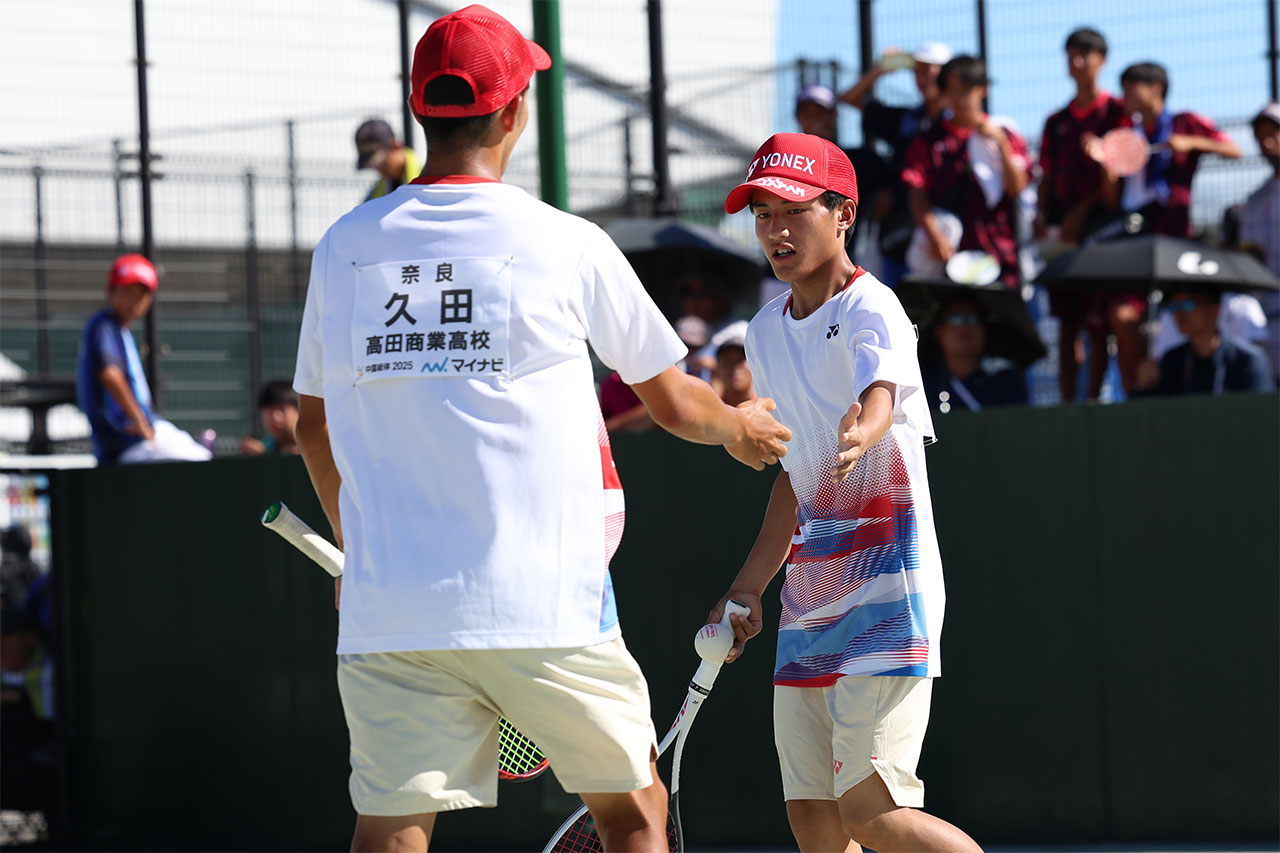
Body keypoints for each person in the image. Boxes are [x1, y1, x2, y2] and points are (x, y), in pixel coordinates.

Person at [291, 7, 791, 852]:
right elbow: (674, 403)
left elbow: (314, 428)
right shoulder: (567, 242)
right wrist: (740, 426)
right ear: (516, 112)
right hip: (546, 604)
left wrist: (356, 544)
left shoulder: (344, 246)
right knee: (635, 817)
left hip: (391, 606)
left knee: (389, 828)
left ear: (419, 110)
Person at [710, 132, 980, 853]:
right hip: (809, 603)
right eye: (762, 214)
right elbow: (795, 477)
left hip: (889, 595)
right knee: (816, 823)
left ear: (843, 215)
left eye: (794, 211)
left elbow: (880, 392)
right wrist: (748, 586)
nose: (776, 229)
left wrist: (865, 427)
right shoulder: (763, 333)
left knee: (874, 815)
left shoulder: (874, 306)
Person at [1036, 28, 1129, 402]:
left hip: (1104, 230)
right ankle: (1067, 405)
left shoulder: (1117, 113)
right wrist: (1041, 215)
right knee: (1067, 323)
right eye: (1071, 55)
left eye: (1084, 55)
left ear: (1101, 60)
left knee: (1099, 322)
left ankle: (1093, 402)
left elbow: (1119, 179)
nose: (1076, 63)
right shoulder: (1056, 121)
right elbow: (1046, 175)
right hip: (1063, 234)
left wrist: (1083, 212)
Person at [902, 55, 1030, 287]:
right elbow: (916, 192)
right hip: (948, 257)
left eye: (966, 90)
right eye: (952, 92)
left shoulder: (1005, 133)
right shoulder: (928, 140)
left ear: (983, 89)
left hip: (1001, 254)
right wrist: (934, 236)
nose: (961, 99)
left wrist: (1000, 144)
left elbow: (1017, 188)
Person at [74, 255, 212, 465]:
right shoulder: (104, 326)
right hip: (126, 442)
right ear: (111, 292)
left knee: (200, 455)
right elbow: (110, 374)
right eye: (128, 293)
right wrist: (139, 420)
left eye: (141, 295)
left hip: (141, 434)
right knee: (197, 460)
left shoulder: (119, 330)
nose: (135, 301)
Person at [839, 42, 954, 283]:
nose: (921, 78)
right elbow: (849, 98)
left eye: (928, 70)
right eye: (916, 71)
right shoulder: (907, 120)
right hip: (901, 234)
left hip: (950, 234)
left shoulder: (959, 123)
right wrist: (878, 71)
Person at [1150, 288, 1274, 395]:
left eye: (1187, 304)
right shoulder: (1171, 362)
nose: (1179, 314)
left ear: (1214, 310)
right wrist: (1148, 386)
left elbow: (1261, 410)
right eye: (1174, 306)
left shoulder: (1247, 361)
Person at [1232, 103, 1280, 377]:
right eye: (1261, 136)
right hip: (1265, 320)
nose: (1267, 142)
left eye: (1274, 132)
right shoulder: (1254, 202)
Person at [922, 296, 1027, 413]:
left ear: (985, 330)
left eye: (974, 319)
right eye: (956, 319)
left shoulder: (1005, 378)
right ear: (939, 332)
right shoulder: (922, 381)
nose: (965, 327)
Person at [355, 118, 423, 202]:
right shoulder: (376, 194)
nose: (379, 169)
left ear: (395, 146)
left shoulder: (427, 183)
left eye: (381, 163)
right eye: (374, 166)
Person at [239, 380, 300, 455]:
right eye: (269, 411)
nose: (275, 418)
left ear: (299, 410)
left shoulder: (312, 443)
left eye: (281, 409)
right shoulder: (264, 447)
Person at [709, 321, 756, 406]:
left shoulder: (771, 406)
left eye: (740, 360)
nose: (734, 367)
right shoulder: (709, 408)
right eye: (728, 361)